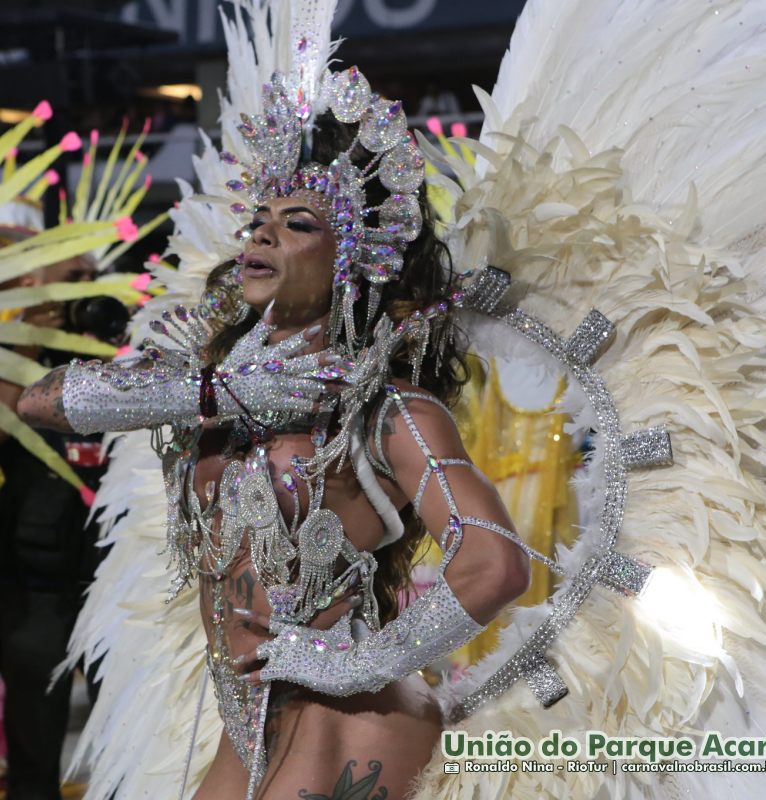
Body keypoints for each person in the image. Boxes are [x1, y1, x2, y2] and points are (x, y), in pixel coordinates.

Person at [17, 94, 532, 800]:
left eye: (296, 225)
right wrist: (226, 394)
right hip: (250, 724)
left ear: (352, 261)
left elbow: (495, 562)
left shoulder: (387, 410)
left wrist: (355, 665)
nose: (261, 237)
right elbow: (44, 399)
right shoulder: (210, 386)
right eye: (258, 223)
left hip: (348, 726)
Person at [0, 246, 104, 800]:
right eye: (73, 279)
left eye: (92, 277)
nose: (83, 290)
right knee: (34, 752)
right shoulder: (10, 355)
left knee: (123, 741)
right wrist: (22, 352)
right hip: (34, 587)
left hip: (107, 580)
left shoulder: (111, 350)